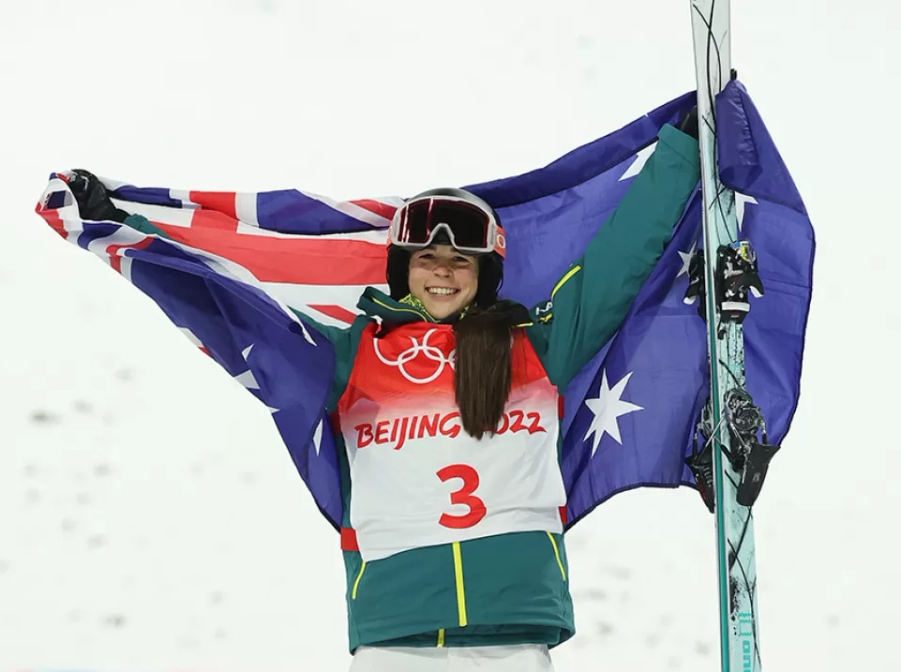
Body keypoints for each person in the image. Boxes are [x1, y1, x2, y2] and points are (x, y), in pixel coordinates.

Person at [66, 109, 700, 672]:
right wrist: (118, 222)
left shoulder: (534, 348)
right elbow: (227, 298)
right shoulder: (347, 356)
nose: (443, 273)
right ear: (403, 272)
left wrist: (679, 155)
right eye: (427, 260)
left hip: (516, 632)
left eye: (460, 263)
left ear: (484, 275)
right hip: (394, 636)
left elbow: (619, 262)